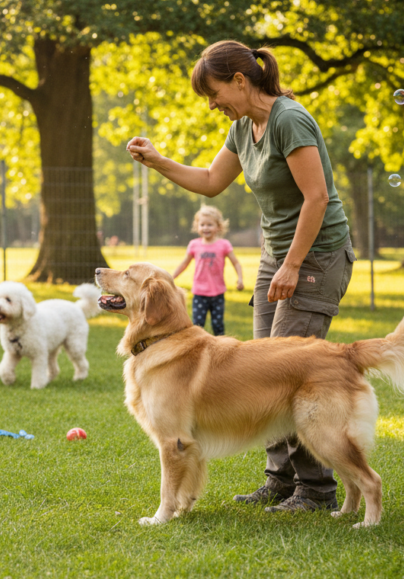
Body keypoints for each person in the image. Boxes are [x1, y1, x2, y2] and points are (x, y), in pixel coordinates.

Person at [126, 40, 356, 515]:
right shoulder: (242, 126)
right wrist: (157, 160)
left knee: (290, 371)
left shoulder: (288, 119)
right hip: (277, 255)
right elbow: (211, 180)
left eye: (213, 93)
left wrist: (293, 264)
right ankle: (280, 480)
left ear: (239, 80)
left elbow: (316, 198)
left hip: (315, 256)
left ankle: (315, 490)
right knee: (256, 375)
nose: (211, 105)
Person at [172, 205, 244, 335]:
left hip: (218, 293)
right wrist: (171, 278)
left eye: (210, 224)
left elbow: (236, 263)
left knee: (218, 325)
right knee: (197, 325)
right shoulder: (194, 244)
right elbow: (184, 264)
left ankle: (222, 349)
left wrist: (240, 279)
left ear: (218, 227)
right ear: (197, 226)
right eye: (202, 224)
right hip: (199, 293)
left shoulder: (224, 245)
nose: (205, 228)